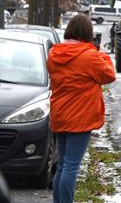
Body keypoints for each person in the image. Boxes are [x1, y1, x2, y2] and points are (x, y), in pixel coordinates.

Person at [46, 14, 116, 203]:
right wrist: (102, 54)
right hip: (80, 116)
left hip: (60, 114)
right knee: (71, 166)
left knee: (62, 165)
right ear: (87, 33)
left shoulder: (54, 54)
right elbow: (109, 75)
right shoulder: (89, 56)